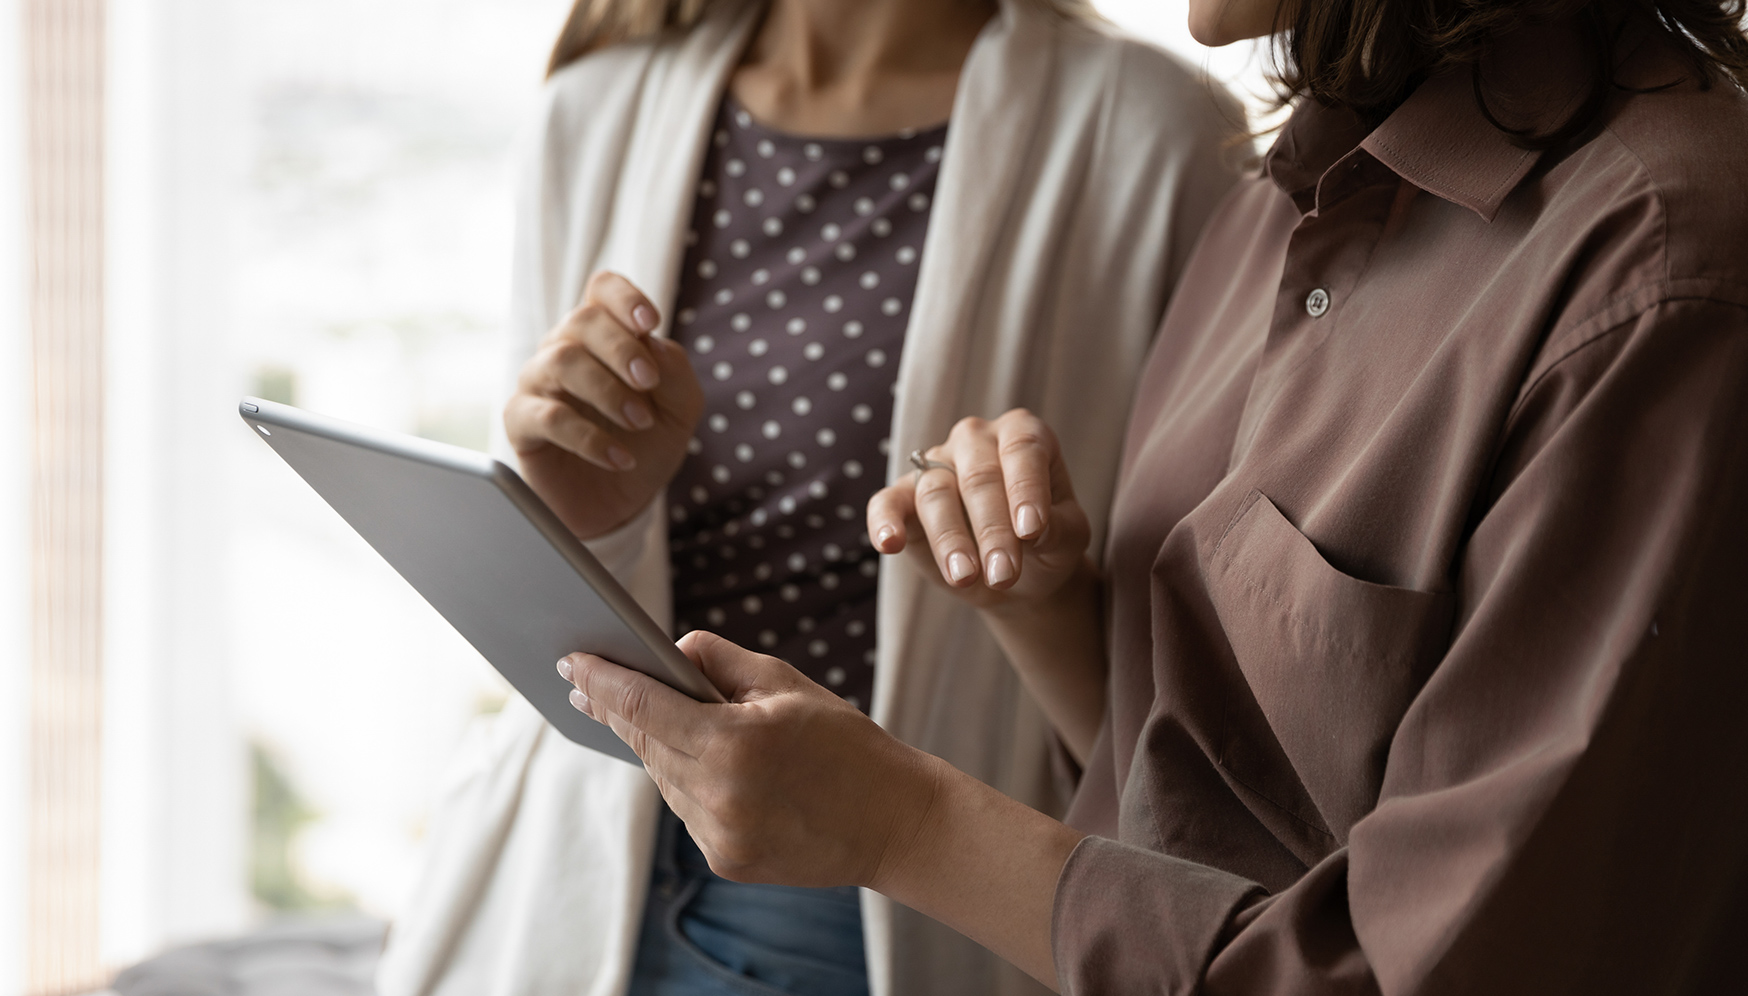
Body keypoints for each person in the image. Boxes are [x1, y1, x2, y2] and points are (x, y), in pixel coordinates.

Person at [551, 0, 1748, 989]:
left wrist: (900, 824)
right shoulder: (1276, 204)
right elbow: (1159, 781)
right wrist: (1035, 598)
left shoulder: (1662, 276)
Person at [375, 0, 1241, 993]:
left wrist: (1032, 589)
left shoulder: (1154, 133)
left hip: (884, 905)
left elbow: (1174, 733)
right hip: (572, 873)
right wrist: (589, 519)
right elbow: (538, 634)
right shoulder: (590, 113)